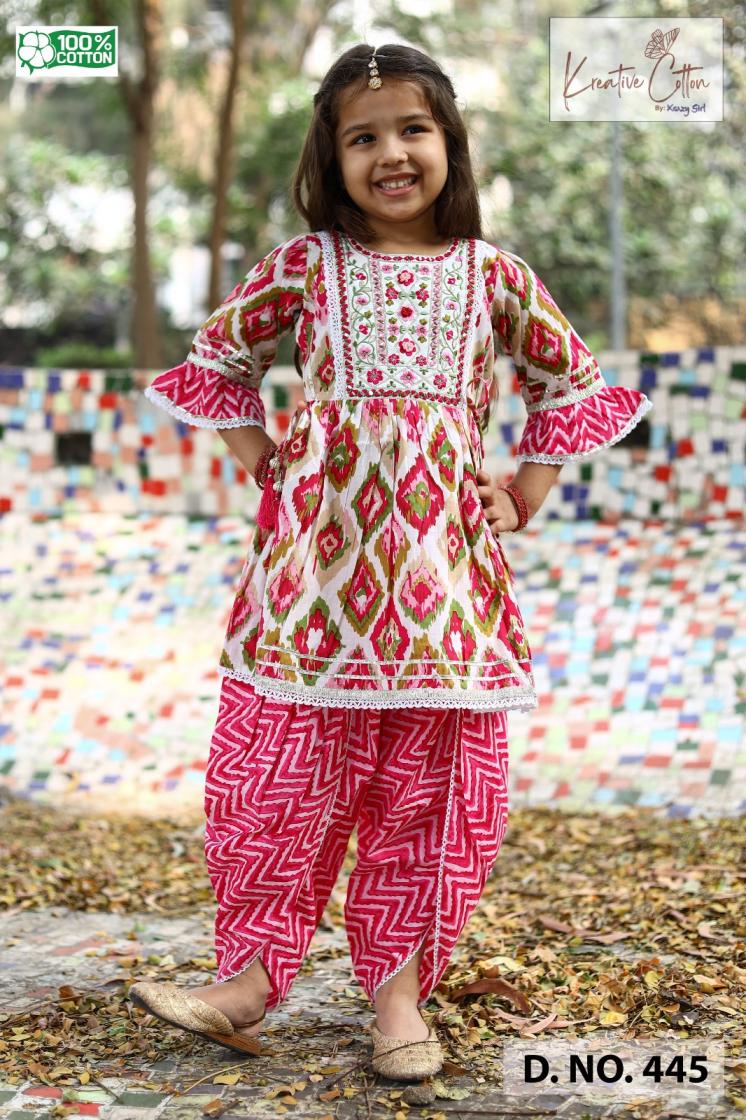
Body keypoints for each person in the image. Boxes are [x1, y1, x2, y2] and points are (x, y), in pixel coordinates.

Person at [129, 42, 652, 1080]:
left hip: (438, 594)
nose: (391, 154)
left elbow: (568, 385)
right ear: (331, 158)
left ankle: (399, 1000)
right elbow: (219, 364)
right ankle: (248, 980)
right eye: (361, 138)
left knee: (429, 789)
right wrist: (263, 461)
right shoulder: (303, 265)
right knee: (281, 779)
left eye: (413, 129)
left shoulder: (492, 275)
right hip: (312, 591)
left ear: (449, 142)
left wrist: (525, 493)